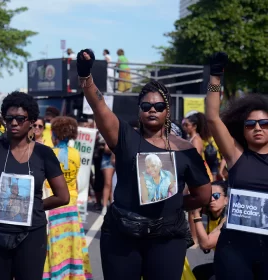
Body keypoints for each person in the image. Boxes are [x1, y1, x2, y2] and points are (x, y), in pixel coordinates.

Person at [76, 49, 211, 280]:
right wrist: (85, 76)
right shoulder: (125, 136)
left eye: (158, 107)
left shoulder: (185, 149)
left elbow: (203, 195)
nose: (152, 110)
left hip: (167, 238)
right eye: (146, 106)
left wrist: (173, 202)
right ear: (138, 110)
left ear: (167, 111)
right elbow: (99, 107)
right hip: (122, 235)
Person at [0, 62, 70, 280]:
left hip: (31, 236)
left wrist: (30, 205)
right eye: (9, 118)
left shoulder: (44, 154)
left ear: (31, 121)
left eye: (20, 118)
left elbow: (63, 196)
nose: (14, 122)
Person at [205, 52, 268, 279]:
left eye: (264, 123)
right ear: (242, 129)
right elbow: (212, 117)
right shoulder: (236, 156)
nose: (258, 128)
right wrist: (215, 78)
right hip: (235, 249)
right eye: (250, 124)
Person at [43, 116, 92, 280]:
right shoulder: (76, 154)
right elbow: (76, 181)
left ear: (55, 134)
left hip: (53, 204)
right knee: (72, 246)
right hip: (71, 206)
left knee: (55, 246)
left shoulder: (49, 153)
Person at [191, 180, 228, 280]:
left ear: (226, 200)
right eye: (209, 196)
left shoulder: (227, 220)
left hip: (236, 268)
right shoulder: (210, 213)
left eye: (216, 196)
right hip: (222, 264)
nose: (212, 199)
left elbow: (206, 244)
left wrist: (197, 215)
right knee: (197, 272)